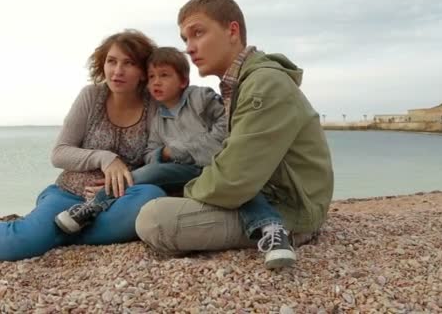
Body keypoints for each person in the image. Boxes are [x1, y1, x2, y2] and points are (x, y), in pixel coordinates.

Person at [0, 29, 167, 261]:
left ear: (143, 71)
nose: (117, 70)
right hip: (67, 195)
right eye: (111, 61)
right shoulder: (92, 96)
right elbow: (59, 153)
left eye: (129, 63)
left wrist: (124, 178)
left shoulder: (154, 107)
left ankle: (54, 233)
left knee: (152, 196)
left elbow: (153, 159)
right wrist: (104, 158)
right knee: (23, 243)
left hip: (113, 201)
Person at [135, 0, 335, 269]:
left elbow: (234, 180)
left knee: (154, 219)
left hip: (290, 209)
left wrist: (187, 188)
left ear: (232, 31)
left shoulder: (264, 84)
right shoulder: (239, 85)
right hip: (261, 192)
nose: (189, 48)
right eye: (185, 39)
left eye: (198, 33)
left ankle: (277, 232)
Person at [54, 47, 293, 268]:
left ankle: (273, 232)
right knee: (151, 173)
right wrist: (163, 155)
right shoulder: (157, 118)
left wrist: (174, 151)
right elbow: (151, 156)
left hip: (221, 165)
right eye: (151, 77)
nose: (156, 82)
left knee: (241, 187)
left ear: (183, 81)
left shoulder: (201, 98)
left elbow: (226, 129)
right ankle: (92, 207)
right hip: (186, 172)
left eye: (164, 75)